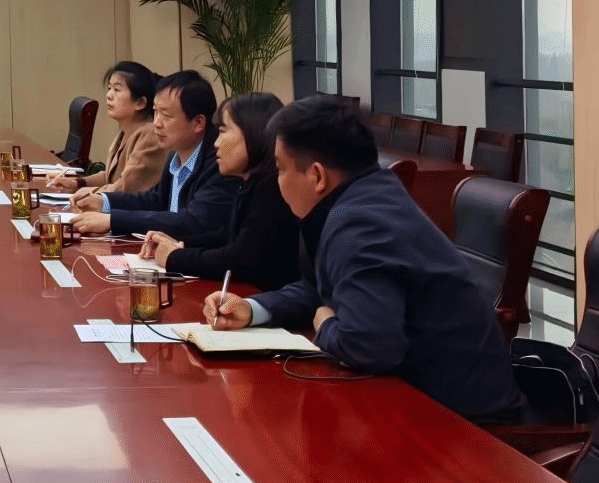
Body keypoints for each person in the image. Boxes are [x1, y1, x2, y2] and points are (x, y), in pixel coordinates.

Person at [202, 96, 524, 423]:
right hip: (419, 397)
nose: (278, 180)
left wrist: (325, 324)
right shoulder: (367, 194)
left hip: (463, 423)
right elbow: (320, 290)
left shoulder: (360, 223)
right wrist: (254, 309)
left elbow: (370, 346)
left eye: (281, 169)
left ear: (317, 176)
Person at [138, 93, 302, 291]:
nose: (216, 143)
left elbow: (241, 259)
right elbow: (225, 237)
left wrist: (175, 257)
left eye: (223, 131)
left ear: (254, 133)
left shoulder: (272, 189)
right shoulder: (250, 183)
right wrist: (178, 243)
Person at [70, 71, 237, 239]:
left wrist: (113, 220)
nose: (157, 123)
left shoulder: (221, 163)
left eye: (166, 115)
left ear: (198, 122)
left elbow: (191, 221)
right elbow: (156, 200)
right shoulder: (176, 153)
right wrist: (103, 202)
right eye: (156, 112)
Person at [44, 62, 168, 199]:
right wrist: (77, 183)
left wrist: (87, 194)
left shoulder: (149, 135)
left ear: (140, 103)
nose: (109, 95)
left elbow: (126, 188)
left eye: (117, 90)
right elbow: (110, 176)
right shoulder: (127, 130)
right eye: (109, 88)